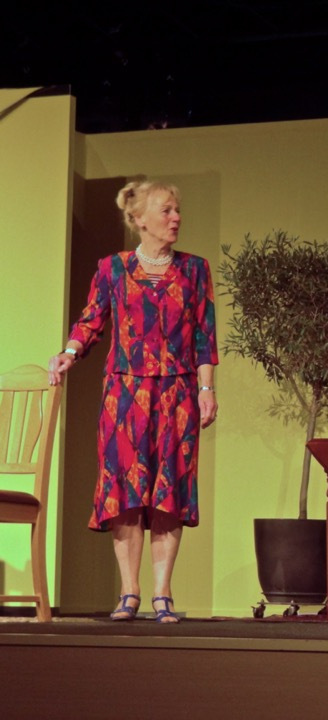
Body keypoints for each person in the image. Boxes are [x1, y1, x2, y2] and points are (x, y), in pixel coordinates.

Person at [48, 179, 218, 623]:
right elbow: (91, 320)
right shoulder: (113, 269)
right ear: (139, 219)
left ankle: (163, 593)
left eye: (177, 210)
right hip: (125, 395)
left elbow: (204, 336)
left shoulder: (195, 270)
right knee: (124, 492)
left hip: (178, 394)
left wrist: (206, 389)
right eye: (166, 210)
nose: (176, 218)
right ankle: (129, 591)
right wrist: (68, 353)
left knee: (169, 492)